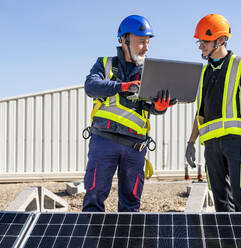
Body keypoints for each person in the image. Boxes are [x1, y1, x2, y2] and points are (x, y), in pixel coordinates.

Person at [82, 15, 176, 212]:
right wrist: (123, 86)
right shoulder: (105, 64)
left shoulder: (150, 72)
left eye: (148, 42)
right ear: (124, 40)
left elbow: (151, 108)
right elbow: (91, 86)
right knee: (94, 198)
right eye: (141, 41)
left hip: (135, 146)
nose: (146, 47)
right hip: (104, 141)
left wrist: (160, 107)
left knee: (131, 204)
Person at [185, 14, 241, 212]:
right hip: (211, 145)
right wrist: (191, 142)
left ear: (220, 40)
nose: (201, 45)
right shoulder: (204, 72)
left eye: (205, 41)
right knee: (221, 202)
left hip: (236, 143)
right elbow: (200, 113)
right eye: (199, 41)